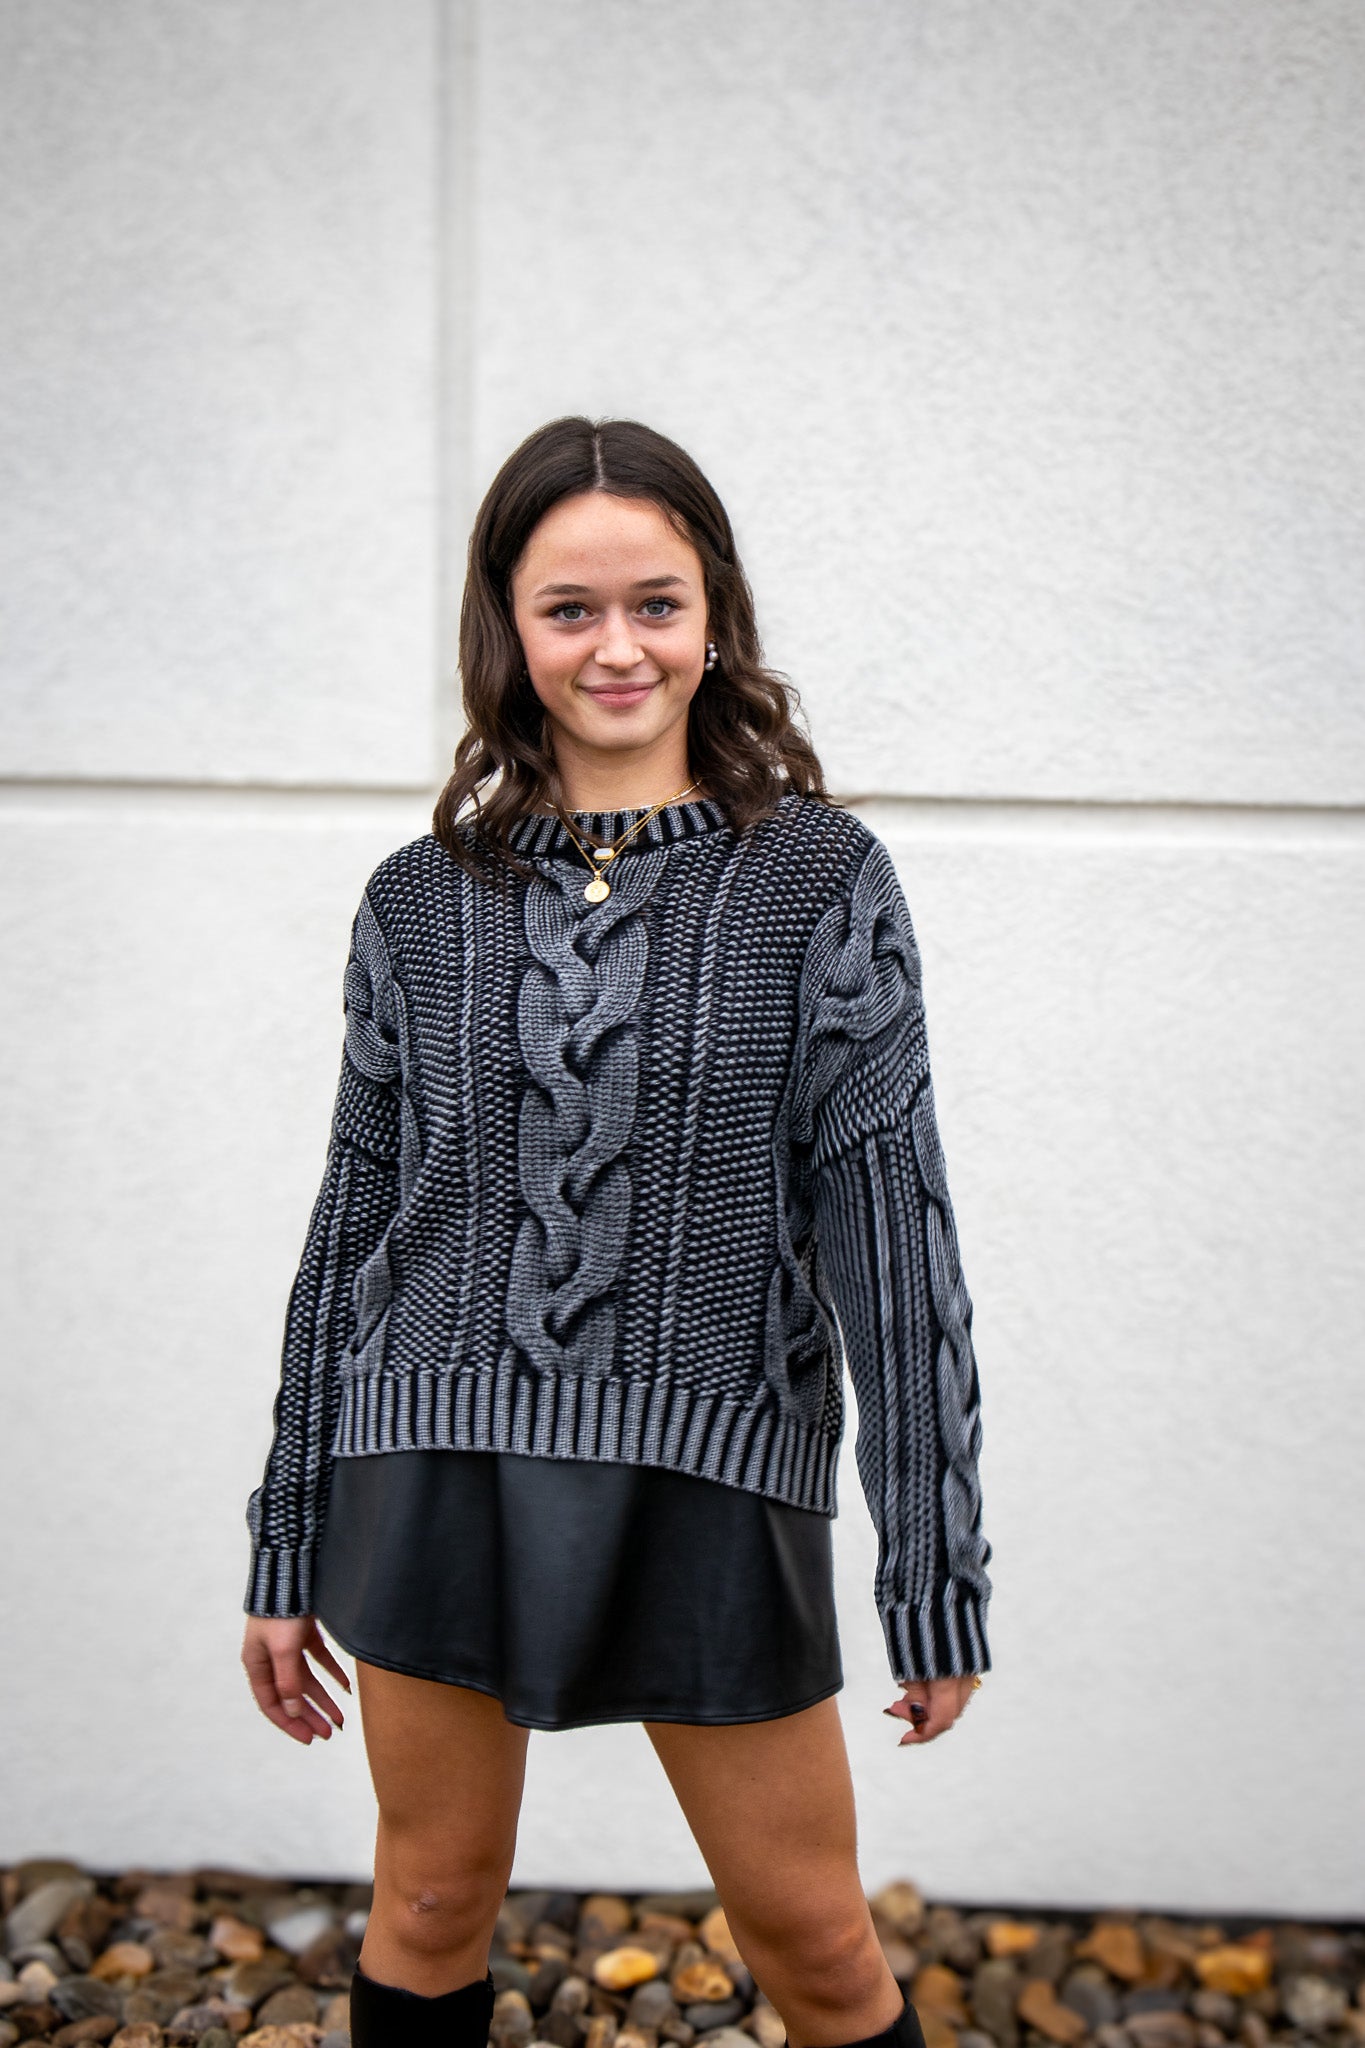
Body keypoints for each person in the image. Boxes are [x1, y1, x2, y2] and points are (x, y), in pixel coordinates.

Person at [240, 416, 994, 2048]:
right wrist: (286, 1531)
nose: (616, 647)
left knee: (813, 1941)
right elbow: (352, 1223)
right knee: (430, 1901)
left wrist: (932, 1560)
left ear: (711, 610)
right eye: (567, 608)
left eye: (653, 601)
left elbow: (891, 1231)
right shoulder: (413, 901)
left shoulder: (819, 882)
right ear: (506, 628)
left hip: (709, 1465)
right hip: (429, 1449)